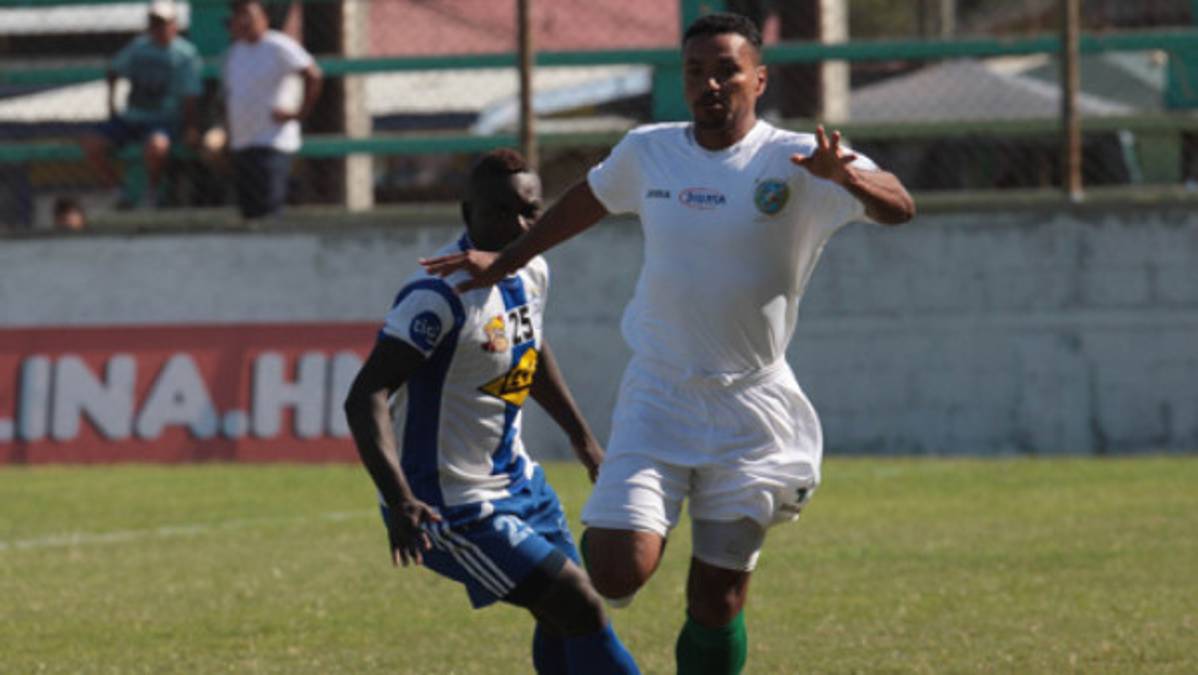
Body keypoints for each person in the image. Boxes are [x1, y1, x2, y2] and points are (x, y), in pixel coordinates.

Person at [421, 13, 915, 674]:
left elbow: (900, 205)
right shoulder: (648, 151)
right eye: (695, 71)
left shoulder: (797, 157)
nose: (709, 83)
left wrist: (847, 178)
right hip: (659, 394)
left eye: (726, 70)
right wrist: (505, 260)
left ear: (759, 79)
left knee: (716, 599)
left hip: (752, 407)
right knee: (614, 570)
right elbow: (584, 203)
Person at [343, 149, 640, 675]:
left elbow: (531, 351)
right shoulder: (438, 296)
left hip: (520, 483)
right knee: (579, 604)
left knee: (563, 614)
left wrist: (583, 440)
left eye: (529, 212)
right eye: (500, 212)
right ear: (468, 213)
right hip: (448, 505)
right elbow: (365, 394)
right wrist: (401, 499)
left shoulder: (532, 269)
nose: (518, 225)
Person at [79, 1, 202, 209]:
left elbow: (191, 96)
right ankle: (120, 193)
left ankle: (151, 193)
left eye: (163, 23)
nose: (158, 28)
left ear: (174, 24)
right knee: (91, 143)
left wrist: (191, 126)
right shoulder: (138, 47)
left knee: (157, 146)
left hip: (164, 120)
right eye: (154, 23)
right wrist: (111, 106)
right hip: (131, 118)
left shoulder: (185, 54)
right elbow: (113, 70)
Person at [223, 0, 322, 220]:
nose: (244, 21)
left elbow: (313, 75)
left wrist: (299, 113)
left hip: (272, 141)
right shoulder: (236, 51)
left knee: (269, 211)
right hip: (243, 142)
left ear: (264, 19)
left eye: (249, 16)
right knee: (248, 213)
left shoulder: (278, 45)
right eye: (239, 16)